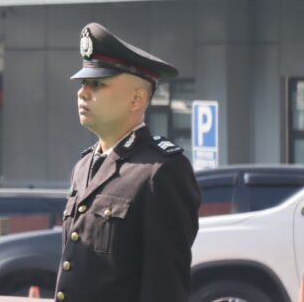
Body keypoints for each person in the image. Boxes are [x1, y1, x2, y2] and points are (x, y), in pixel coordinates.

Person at [55, 23, 201, 302]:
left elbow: (165, 288)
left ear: (136, 98)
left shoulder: (161, 171)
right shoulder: (84, 167)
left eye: (97, 83)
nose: (82, 92)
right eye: (83, 83)